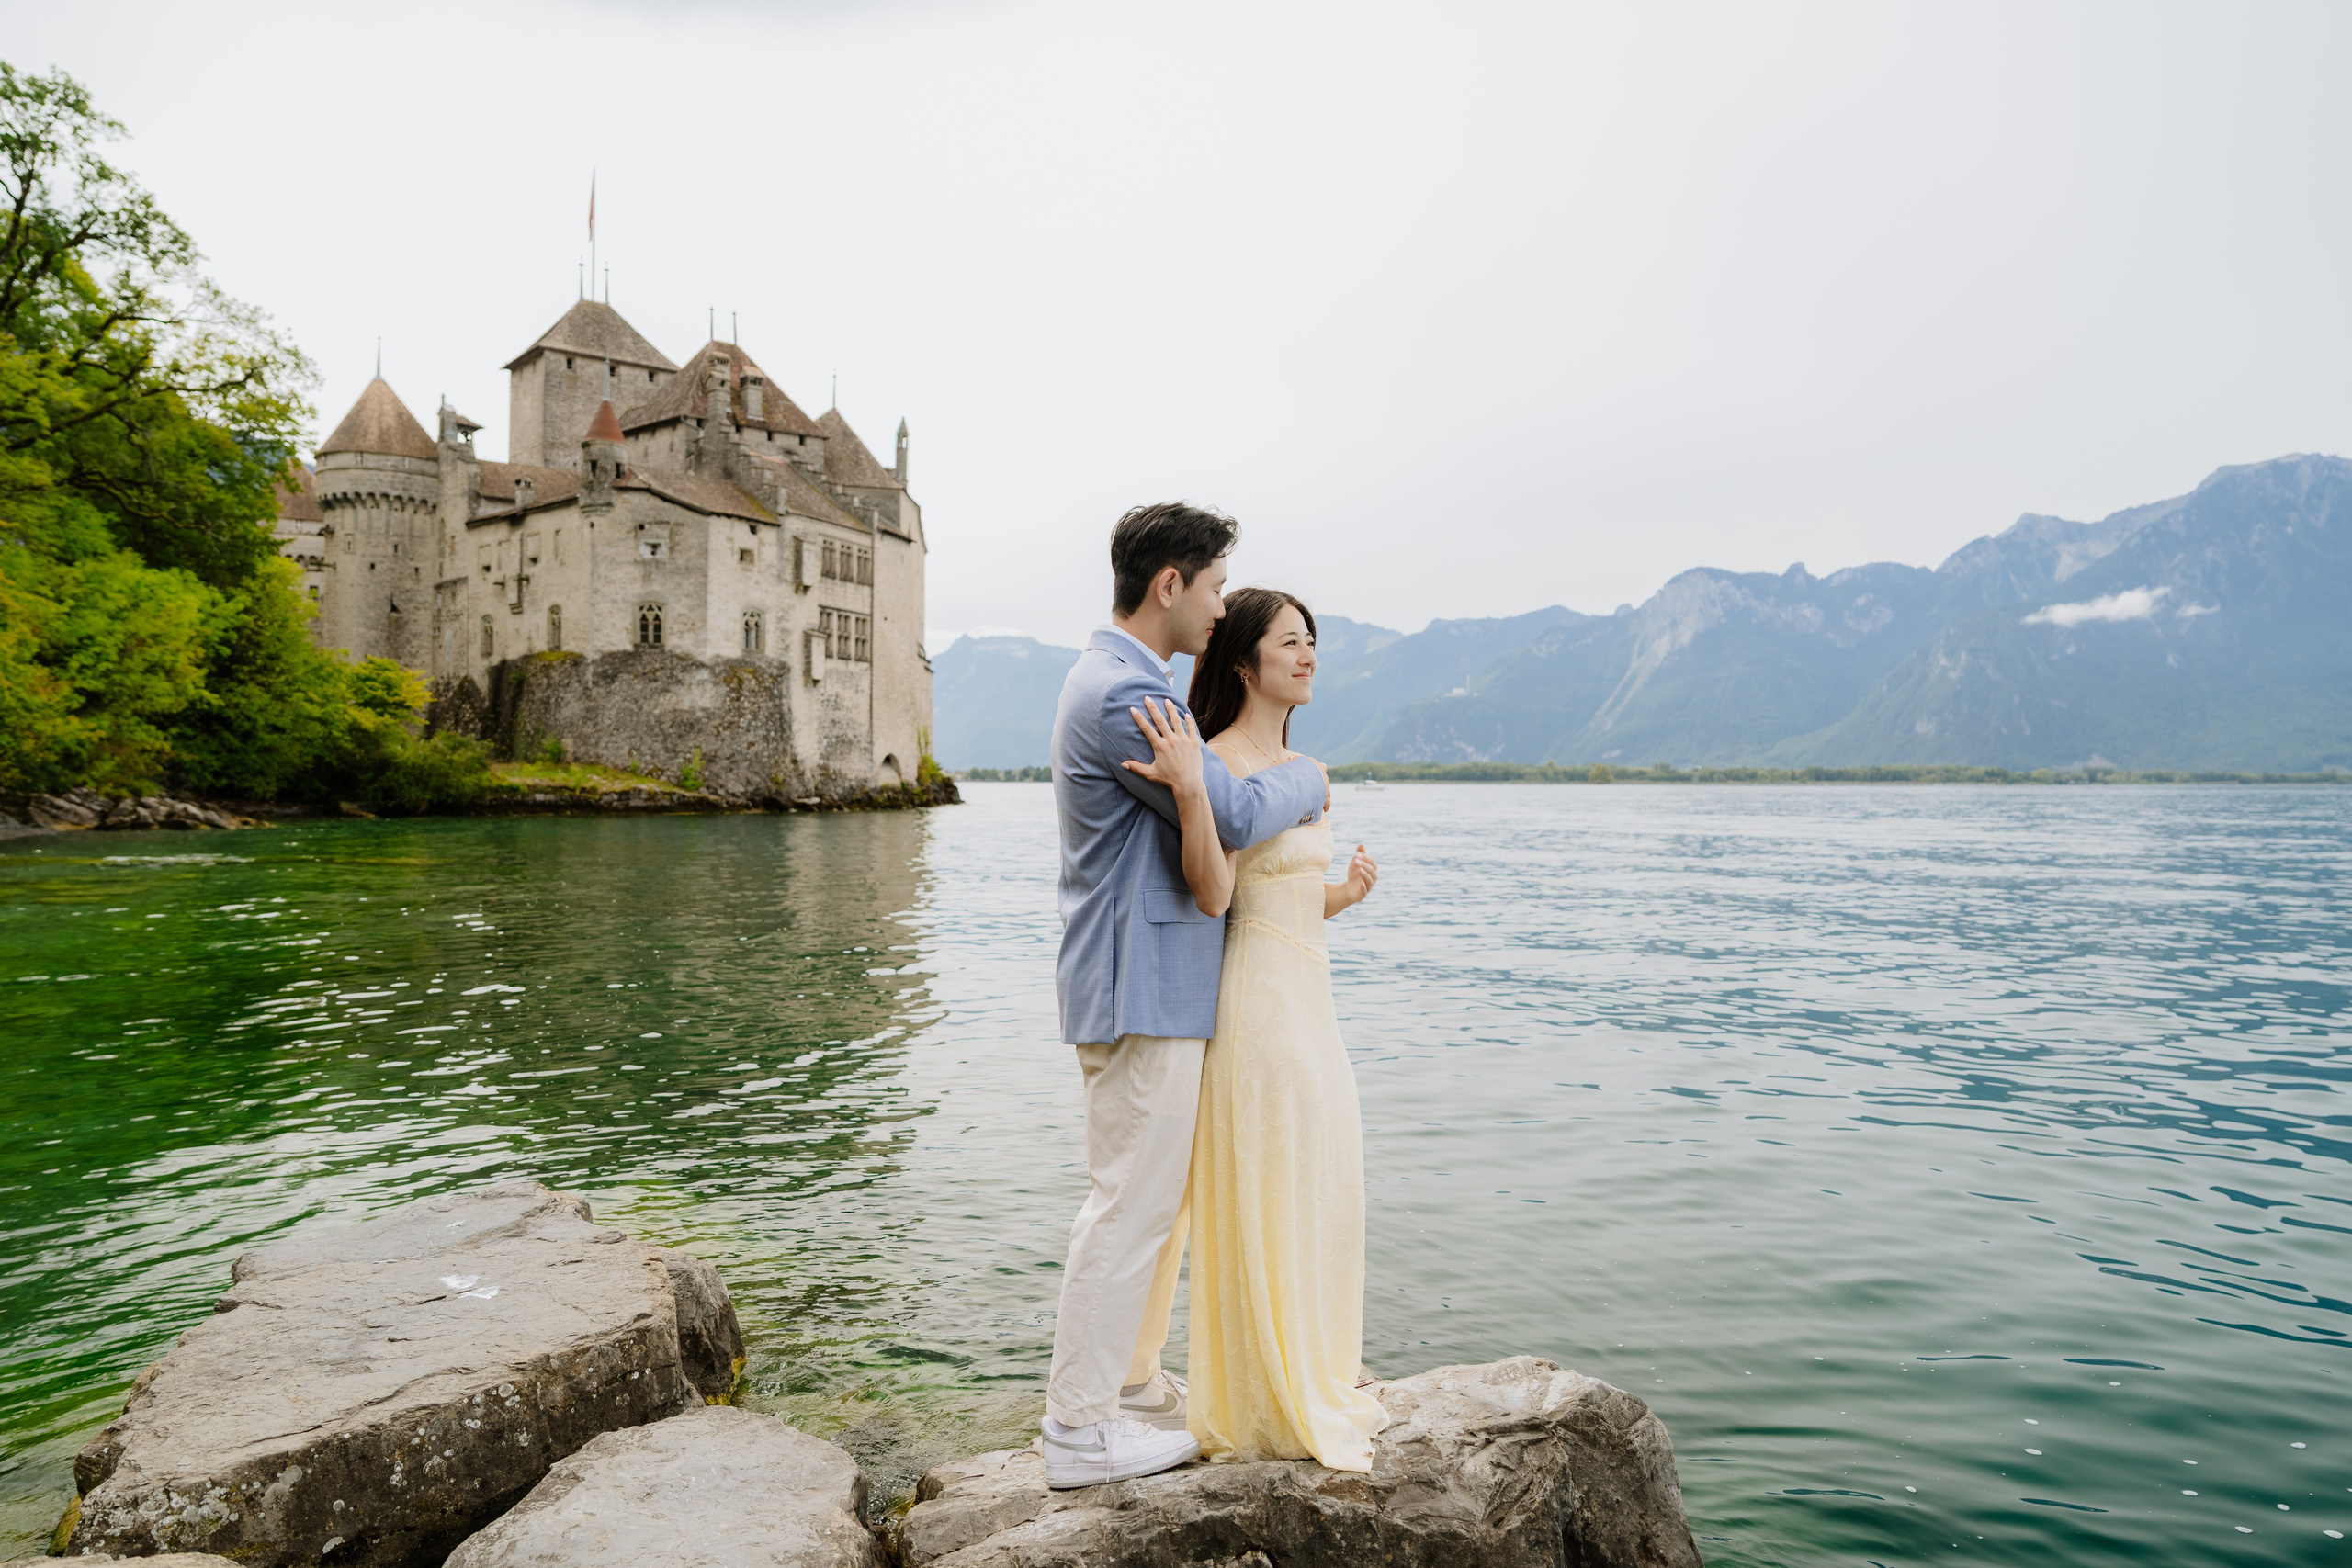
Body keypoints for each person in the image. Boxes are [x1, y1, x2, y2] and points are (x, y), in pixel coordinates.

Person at [1042, 504, 1331, 1490]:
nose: (1218, 607)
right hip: (1142, 986)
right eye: (1212, 588)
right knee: (1127, 1209)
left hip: (1139, 981)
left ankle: (1117, 1393)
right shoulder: (1129, 694)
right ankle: (1079, 1432)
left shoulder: (1128, 681)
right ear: (1170, 584)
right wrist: (1311, 779)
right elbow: (1241, 808)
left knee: (1144, 1208)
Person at [1122, 585, 1387, 1472]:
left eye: (1313, 641)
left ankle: (1311, 1362)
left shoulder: (1303, 768)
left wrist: (1340, 896)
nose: (1308, 655)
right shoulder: (1219, 760)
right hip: (1257, 1006)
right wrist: (1196, 795)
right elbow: (1222, 894)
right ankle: (1262, 1390)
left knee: (1319, 1170)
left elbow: (1285, 900)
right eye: (1288, 642)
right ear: (1244, 661)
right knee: (1268, 1172)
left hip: (1310, 997)